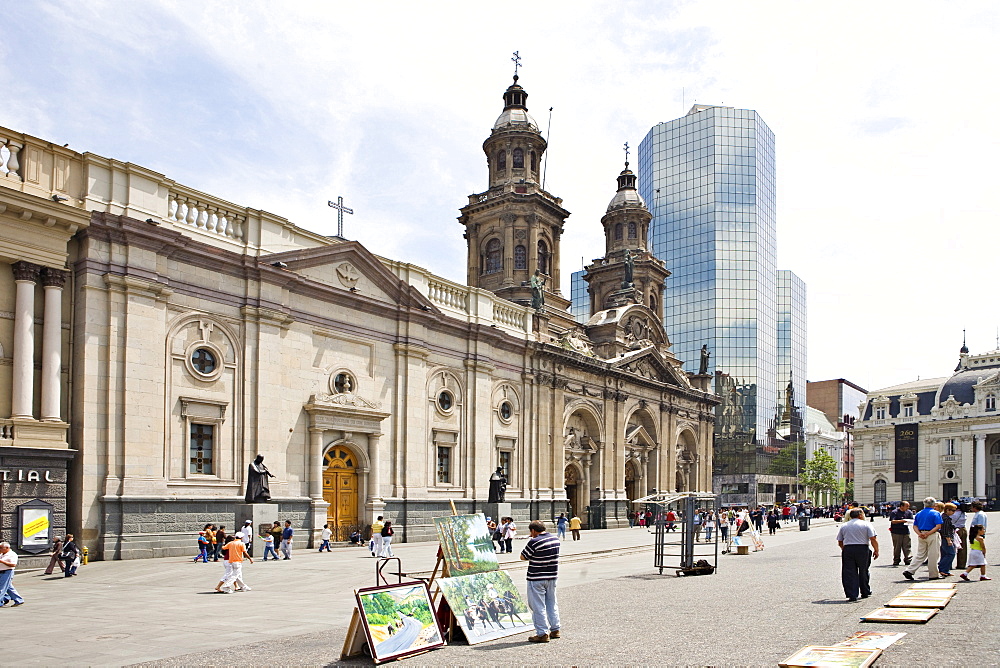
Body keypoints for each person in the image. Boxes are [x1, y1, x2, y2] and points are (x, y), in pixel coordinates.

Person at [520, 520, 561, 642]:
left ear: (533, 530)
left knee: (538, 606)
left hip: (536, 578)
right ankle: (555, 629)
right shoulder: (555, 540)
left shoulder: (534, 541)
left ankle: (542, 633)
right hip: (552, 576)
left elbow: (523, 557)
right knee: (551, 603)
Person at [837, 508, 879, 601]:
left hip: (848, 548)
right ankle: (865, 591)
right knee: (863, 570)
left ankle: (852, 594)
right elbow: (873, 538)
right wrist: (876, 550)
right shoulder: (866, 524)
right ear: (860, 515)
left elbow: (840, 541)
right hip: (862, 548)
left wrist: (844, 549)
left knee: (849, 572)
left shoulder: (844, 526)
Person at [903, 497, 942, 581]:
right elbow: (938, 526)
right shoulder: (936, 513)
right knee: (933, 555)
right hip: (932, 534)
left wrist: (920, 533)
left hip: (921, 534)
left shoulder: (919, 513)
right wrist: (928, 533)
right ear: (934, 504)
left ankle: (910, 570)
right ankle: (933, 574)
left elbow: (915, 526)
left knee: (920, 554)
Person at [0, 541, 25, 607]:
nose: (0, 549)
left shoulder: (12, 554)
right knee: (8, 587)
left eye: (1, 548)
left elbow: (13, 565)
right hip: (1, 572)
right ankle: (18, 600)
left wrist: (2, 561)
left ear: (7, 548)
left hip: (7, 572)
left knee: (1, 588)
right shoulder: (2, 554)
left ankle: (0, 602)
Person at [888, 501, 913, 566]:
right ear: (901, 506)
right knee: (897, 547)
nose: (908, 507)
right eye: (906, 506)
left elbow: (911, 520)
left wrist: (909, 522)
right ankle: (896, 560)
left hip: (905, 531)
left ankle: (908, 559)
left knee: (907, 546)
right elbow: (893, 521)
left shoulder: (909, 512)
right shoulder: (895, 512)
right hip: (896, 532)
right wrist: (903, 521)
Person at [938, 502, 957, 577]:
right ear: (947, 510)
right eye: (953, 510)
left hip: (942, 537)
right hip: (946, 538)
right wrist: (949, 540)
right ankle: (943, 569)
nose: (954, 512)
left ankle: (945, 570)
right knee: (950, 554)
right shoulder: (946, 519)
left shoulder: (942, 517)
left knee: (944, 554)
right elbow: (945, 530)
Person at [952, 502, 968, 569]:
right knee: (963, 547)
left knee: (952, 548)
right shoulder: (963, 513)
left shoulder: (954, 514)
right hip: (963, 529)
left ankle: (949, 564)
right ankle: (961, 564)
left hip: (956, 530)